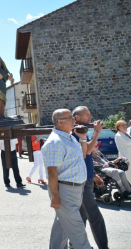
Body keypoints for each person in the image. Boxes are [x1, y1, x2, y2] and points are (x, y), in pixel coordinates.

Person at [42, 109, 91, 249]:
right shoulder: (55, 142)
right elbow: (52, 172)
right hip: (65, 191)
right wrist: (55, 197)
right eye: (70, 118)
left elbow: (82, 156)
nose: (74, 120)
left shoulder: (68, 137)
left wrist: (82, 138)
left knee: (62, 227)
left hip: (74, 189)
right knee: (77, 230)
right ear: (60, 121)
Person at [72, 106, 108, 249]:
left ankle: (74, 244)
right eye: (87, 115)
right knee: (95, 217)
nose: (91, 117)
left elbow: (87, 156)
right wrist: (97, 133)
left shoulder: (81, 130)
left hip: (85, 178)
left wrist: (93, 175)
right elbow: (86, 151)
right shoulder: (75, 132)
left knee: (82, 216)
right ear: (77, 117)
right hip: (80, 181)